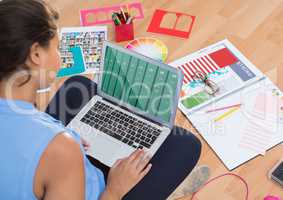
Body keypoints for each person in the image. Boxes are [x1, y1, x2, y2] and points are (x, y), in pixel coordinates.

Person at [0, 0, 202, 200]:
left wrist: (66, 141)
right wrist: (114, 190)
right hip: (98, 189)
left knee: (77, 84)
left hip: (57, 167)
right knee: (187, 144)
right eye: (57, 47)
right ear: (36, 54)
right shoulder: (61, 149)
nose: (60, 54)